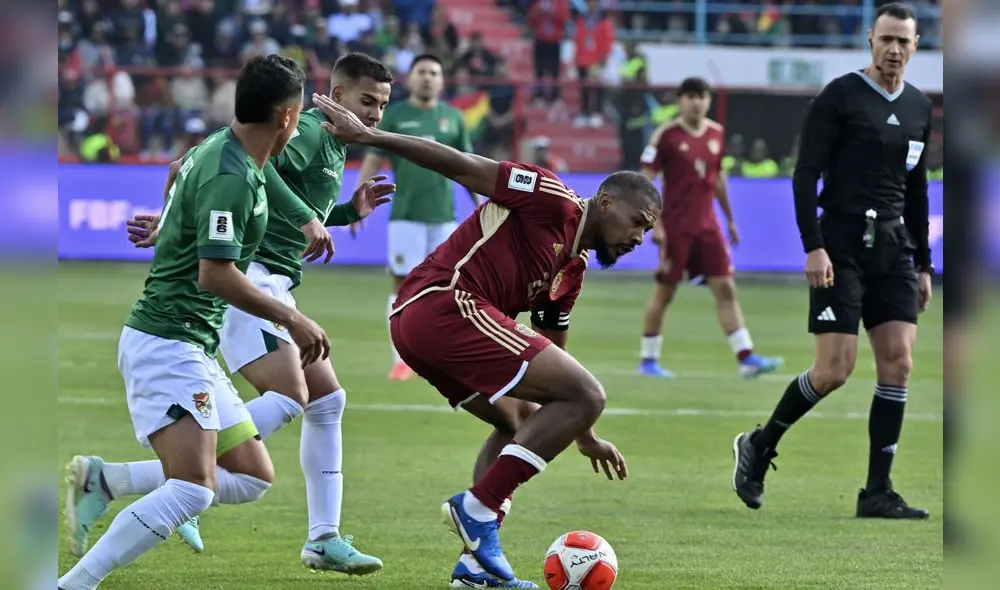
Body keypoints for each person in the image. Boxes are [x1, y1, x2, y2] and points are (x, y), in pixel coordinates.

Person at [312, 92, 661, 588]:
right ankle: (476, 508)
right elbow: (462, 164)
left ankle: (475, 568)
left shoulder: (572, 268)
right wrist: (372, 137)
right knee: (589, 393)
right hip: (442, 302)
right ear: (606, 203)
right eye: (637, 224)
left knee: (518, 418)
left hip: (427, 327)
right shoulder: (551, 197)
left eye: (646, 233)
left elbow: (554, 357)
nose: (638, 239)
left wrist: (584, 434)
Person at [72, 53, 396, 574]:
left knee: (314, 413)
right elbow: (239, 189)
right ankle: (167, 487)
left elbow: (208, 171)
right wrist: (305, 225)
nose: (375, 115)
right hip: (248, 283)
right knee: (291, 400)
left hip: (239, 297)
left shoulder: (289, 145)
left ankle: (317, 534)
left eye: (382, 104)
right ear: (314, 103)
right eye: (366, 102)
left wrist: (342, 213)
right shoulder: (304, 134)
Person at [731, 3, 934, 519]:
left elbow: (916, 189)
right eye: (885, 39)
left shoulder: (919, 108)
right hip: (840, 247)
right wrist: (813, 245)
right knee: (835, 369)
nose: (893, 49)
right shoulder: (838, 98)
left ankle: (877, 492)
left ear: (916, 45)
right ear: (870, 39)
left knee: (899, 363)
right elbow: (805, 175)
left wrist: (924, 263)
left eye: (903, 42)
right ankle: (759, 444)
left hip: (894, 250)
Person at [637, 76, 783, 379]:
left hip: (708, 227)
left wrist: (729, 219)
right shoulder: (665, 136)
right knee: (665, 292)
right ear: (680, 101)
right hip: (677, 227)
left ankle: (746, 358)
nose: (697, 102)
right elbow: (644, 181)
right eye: (690, 96)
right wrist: (655, 223)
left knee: (726, 288)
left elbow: (717, 180)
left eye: (702, 96)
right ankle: (648, 360)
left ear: (709, 100)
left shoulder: (716, 134)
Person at [355, 53, 481, 381]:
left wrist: (482, 204)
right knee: (403, 284)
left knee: (448, 287)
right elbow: (372, 160)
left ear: (441, 80)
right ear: (410, 78)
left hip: (444, 217)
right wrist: (358, 200)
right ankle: (401, 359)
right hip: (405, 216)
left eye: (434, 72)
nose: (427, 77)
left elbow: (468, 167)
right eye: (422, 71)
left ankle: (444, 355)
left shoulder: (453, 118)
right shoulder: (394, 116)